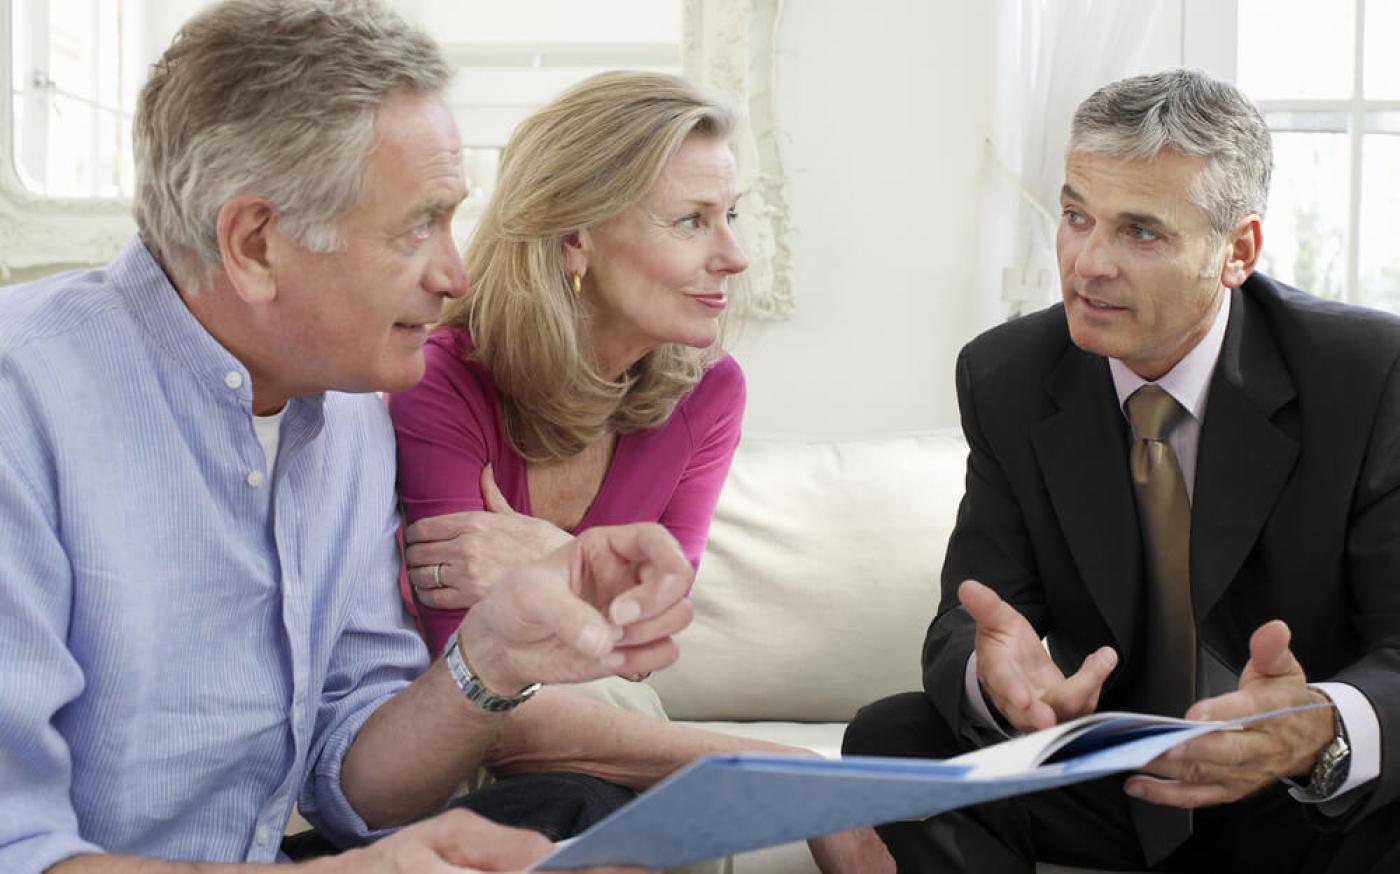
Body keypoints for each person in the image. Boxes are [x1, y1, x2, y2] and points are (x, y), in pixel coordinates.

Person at [0, 2, 688, 871]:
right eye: (418, 225)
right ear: (255, 243)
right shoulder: (21, 404)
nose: (455, 273)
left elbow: (353, 782)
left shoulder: (351, 405)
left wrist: (493, 657)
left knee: (591, 825)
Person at [844, 68, 1400, 874]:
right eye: (1076, 216)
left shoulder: (1368, 374)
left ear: (1236, 250)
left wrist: (1318, 724)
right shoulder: (1007, 375)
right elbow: (973, 614)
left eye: (1141, 232)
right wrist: (996, 678)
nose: (1088, 263)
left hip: (1296, 784)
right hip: (1112, 775)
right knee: (893, 738)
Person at [386, 71, 893, 874]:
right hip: (448, 751)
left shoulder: (709, 390)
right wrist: (777, 767)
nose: (734, 254)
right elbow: (488, 703)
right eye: (692, 221)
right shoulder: (440, 378)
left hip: (602, 738)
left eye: (732, 216)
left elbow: (654, 640)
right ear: (574, 238)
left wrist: (542, 560)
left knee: (626, 760)